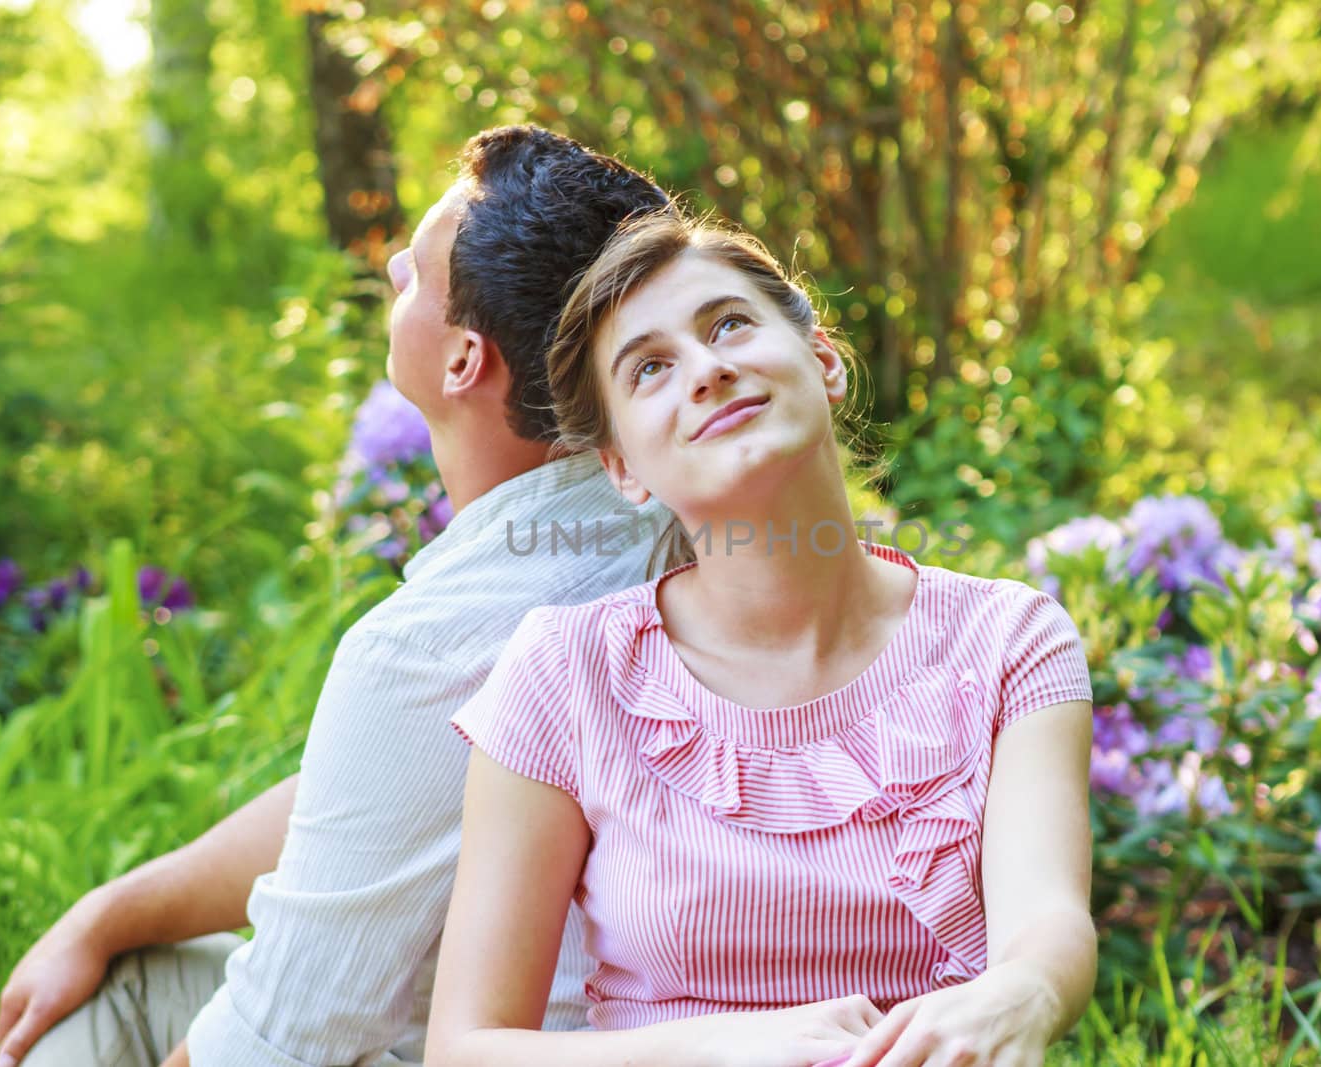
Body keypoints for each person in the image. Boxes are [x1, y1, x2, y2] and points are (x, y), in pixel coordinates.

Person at [0, 126, 673, 1067]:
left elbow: (280, 1040)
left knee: (112, 1008)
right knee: (136, 958)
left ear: (465, 361)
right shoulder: (682, 520)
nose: (395, 263)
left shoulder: (432, 646)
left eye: (420, 269)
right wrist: (109, 910)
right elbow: (368, 800)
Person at [426, 210, 1098, 1067]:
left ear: (822, 361)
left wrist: (1025, 991)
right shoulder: (566, 674)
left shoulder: (1008, 642)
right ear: (623, 468)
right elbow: (467, 1048)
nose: (706, 370)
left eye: (729, 324)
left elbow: (1045, 921)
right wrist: (733, 1045)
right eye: (650, 370)